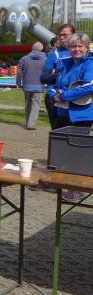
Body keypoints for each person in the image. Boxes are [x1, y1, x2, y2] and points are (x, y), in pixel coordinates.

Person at [50, 32, 93, 202]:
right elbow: (52, 85)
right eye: (73, 46)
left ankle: (78, 188)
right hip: (62, 111)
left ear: (86, 47)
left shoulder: (90, 64)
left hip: (81, 114)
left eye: (80, 46)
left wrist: (64, 96)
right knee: (59, 148)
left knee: (77, 151)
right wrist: (54, 95)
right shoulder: (64, 63)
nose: (76, 49)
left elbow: (90, 86)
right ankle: (57, 181)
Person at [42, 24, 74, 129]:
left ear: (73, 35)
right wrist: (60, 76)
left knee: (78, 133)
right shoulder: (54, 53)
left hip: (78, 97)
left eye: (65, 35)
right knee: (58, 133)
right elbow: (43, 77)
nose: (62, 37)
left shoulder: (81, 52)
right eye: (60, 35)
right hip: (56, 98)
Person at [16, 41, 46, 130]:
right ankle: (31, 123)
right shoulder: (46, 59)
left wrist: (18, 83)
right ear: (42, 48)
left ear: (32, 48)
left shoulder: (24, 59)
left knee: (28, 104)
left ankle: (27, 122)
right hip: (39, 85)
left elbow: (19, 72)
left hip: (27, 85)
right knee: (36, 104)